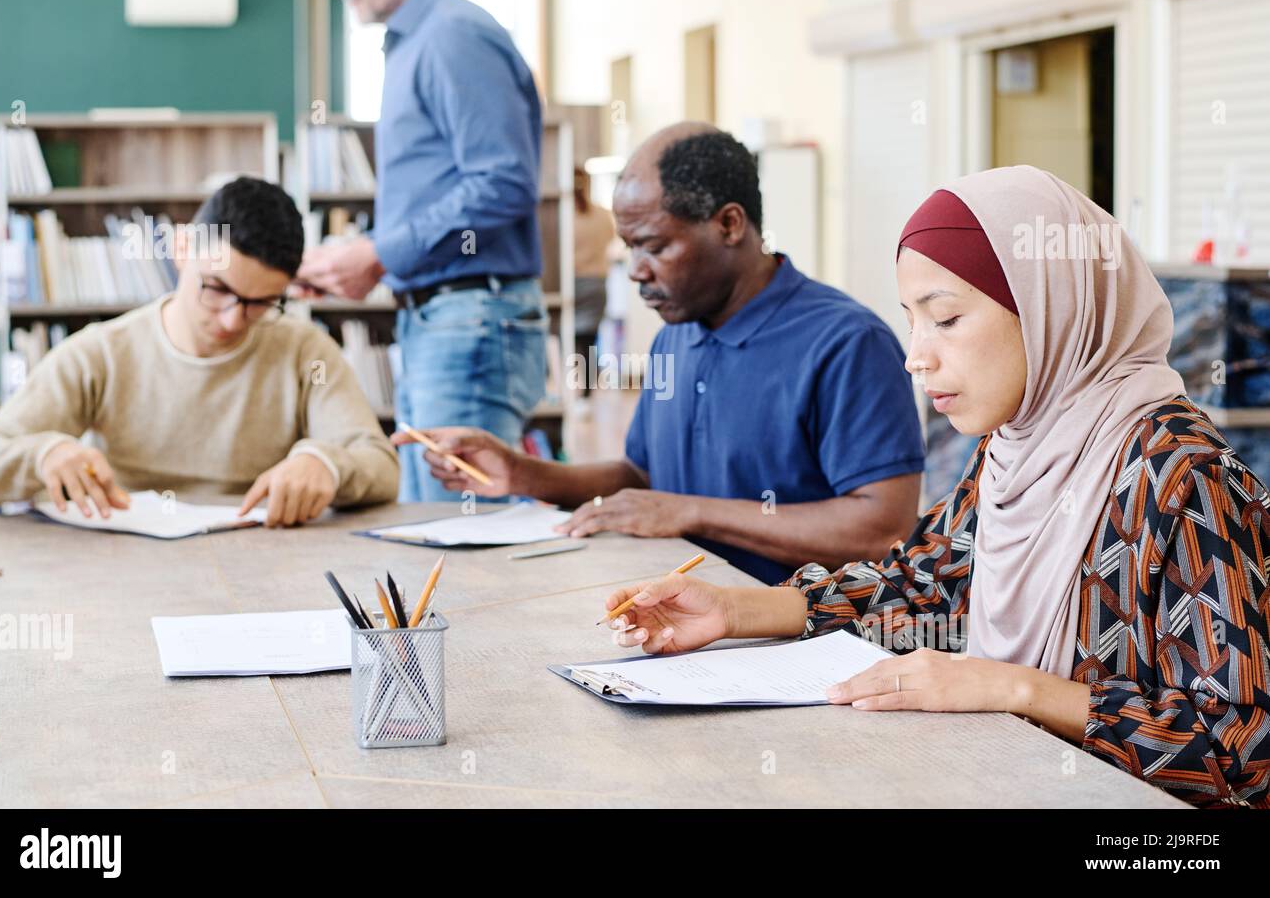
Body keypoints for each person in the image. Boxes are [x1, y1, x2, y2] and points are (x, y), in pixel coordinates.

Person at [599, 165, 1270, 808]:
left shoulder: (1185, 477)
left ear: (1048, 307)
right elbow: (925, 585)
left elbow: (1241, 748)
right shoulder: (1011, 450)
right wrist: (735, 612)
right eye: (912, 319)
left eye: (945, 319)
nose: (916, 355)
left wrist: (1014, 689)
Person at [400, 124, 925, 584]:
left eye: (654, 246)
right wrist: (520, 474)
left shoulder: (847, 343)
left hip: (799, 642)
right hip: (678, 620)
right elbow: (645, 479)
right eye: (629, 247)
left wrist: (691, 512)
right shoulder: (677, 333)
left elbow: (881, 529)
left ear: (729, 225)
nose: (635, 269)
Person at [0, 177, 398, 526]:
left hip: (259, 559)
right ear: (181, 251)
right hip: (123, 562)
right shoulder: (100, 353)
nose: (233, 319)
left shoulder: (306, 353)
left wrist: (327, 463)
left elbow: (381, 466)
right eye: (216, 289)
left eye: (261, 303)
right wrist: (43, 454)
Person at [300, 0, 547, 502]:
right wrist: (369, 254)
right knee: (434, 527)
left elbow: (504, 182)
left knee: (459, 542)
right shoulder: (420, 41)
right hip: (443, 319)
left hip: (469, 320)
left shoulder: (452, 36)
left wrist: (382, 253)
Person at [571, 164, 618, 397]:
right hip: (596, 283)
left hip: (572, 284)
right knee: (588, 341)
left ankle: (566, 391)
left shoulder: (564, 216)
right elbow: (611, 241)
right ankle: (586, 395)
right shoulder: (602, 215)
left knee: (567, 341)